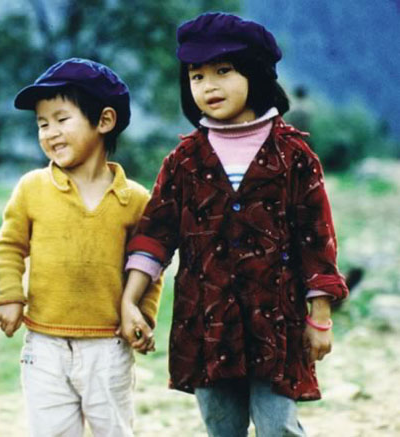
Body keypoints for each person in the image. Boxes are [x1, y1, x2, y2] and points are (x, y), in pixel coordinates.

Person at [119, 12, 348, 437]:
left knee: (279, 428)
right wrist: (130, 301)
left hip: (276, 325)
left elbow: (317, 240)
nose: (209, 86)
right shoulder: (184, 161)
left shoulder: (294, 156)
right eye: (196, 75)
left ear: (256, 74)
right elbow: (155, 234)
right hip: (207, 326)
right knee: (221, 429)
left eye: (223, 71)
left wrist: (320, 318)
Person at [0, 58, 163, 436]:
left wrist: (142, 314)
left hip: (107, 345)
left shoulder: (134, 200)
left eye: (61, 119)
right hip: (45, 344)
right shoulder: (32, 188)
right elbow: (9, 246)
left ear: (104, 121)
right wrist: (9, 295)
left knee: (113, 430)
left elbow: (150, 264)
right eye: (42, 123)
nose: (49, 132)